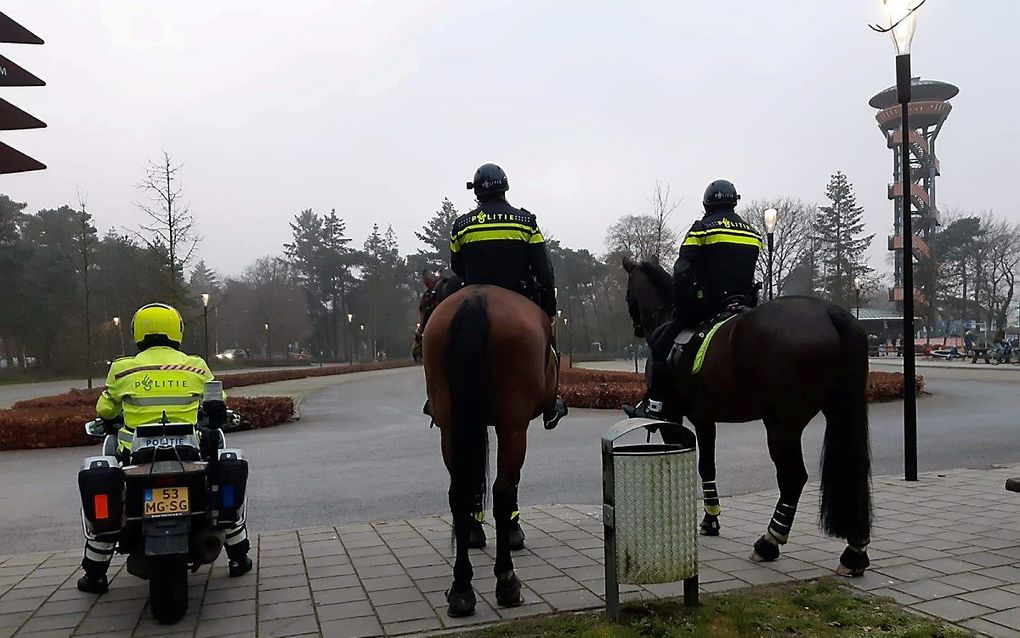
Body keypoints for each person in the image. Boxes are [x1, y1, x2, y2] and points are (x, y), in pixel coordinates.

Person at [77, 303, 252, 594]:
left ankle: (95, 575)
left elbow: (105, 409)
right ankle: (238, 557)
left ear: (137, 332)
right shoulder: (196, 366)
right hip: (188, 453)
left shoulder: (122, 369)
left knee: (108, 490)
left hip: (136, 456)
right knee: (219, 484)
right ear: (177, 330)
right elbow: (217, 401)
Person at [625, 179, 762, 420]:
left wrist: (683, 305)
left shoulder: (702, 228)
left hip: (708, 307)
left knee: (659, 346)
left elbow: (682, 274)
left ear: (707, 204)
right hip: (745, 305)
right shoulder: (752, 233)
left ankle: (655, 405)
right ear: (734, 202)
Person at [450, 162, 567, 429]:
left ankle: (436, 398)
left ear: (477, 193)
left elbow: (457, 267)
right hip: (520, 295)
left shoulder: (461, 226)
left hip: (471, 294)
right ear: (505, 188)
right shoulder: (526, 221)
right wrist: (549, 311)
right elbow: (543, 269)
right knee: (550, 345)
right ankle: (551, 402)